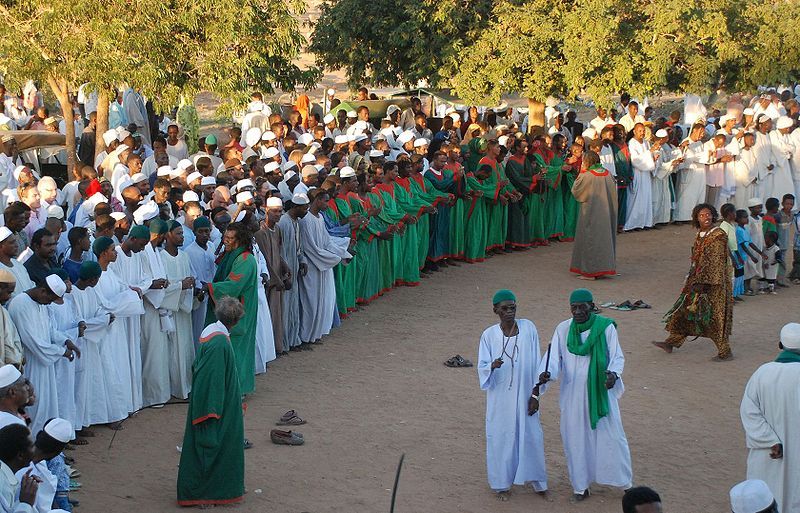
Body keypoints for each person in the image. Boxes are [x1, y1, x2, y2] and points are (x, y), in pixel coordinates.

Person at [537, 288, 632, 502]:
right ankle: (581, 487)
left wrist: (613, 374)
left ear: (592, 305)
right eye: (574, 307)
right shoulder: (563, 329)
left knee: (612, 437)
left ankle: (625, 482)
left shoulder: (605, 327)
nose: (578, 311)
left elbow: (617, 356)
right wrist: (547, 374)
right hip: (573, 395)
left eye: (582, 307)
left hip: (600, 393)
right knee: (575, 440)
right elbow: (554, 359)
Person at [477, 289, 547, 501]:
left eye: (513, 307)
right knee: (501, 436)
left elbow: (536, 361)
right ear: (495, 310)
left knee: (532, 435)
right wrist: (492, 366)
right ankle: (501, 484)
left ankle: (538, 481)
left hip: (526, 393)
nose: (509, 312)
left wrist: (535, 394)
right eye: (504, 308)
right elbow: (481, 367)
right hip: (501, 399)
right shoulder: (489, 335)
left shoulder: (528, 328)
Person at [177, 297, 245, 507]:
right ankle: (205, 494)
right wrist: (212, 412)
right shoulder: (218, 343)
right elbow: (212, 380)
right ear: (234, 321)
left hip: (222, 403)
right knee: (212, 449)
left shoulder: (213, 333)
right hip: (215, 409)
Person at [655, 204, 734, 360]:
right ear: (696, 218)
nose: (707, 217)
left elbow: (716, 262)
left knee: (716, 317)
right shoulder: (701, 234)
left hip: (714, 285)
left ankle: (725, 352)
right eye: (702, 215)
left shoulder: (718, 235)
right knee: (685, 311)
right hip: (697, 281)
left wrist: (704, 282)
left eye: (709, 214)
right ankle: (671, 342)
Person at [739, 322, 800, 512]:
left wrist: (770, 440)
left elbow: (749, 412)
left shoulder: (762, 373)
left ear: (780, 345)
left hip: (769, 455)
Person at [7, 275, 78, 435]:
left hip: (46, 364)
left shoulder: (42, 303)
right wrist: (61, 352)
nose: (50, 303)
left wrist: (66, 340)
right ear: (43, 291)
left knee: (47, 406)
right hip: (31, 365)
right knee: (35, 408)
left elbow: (50, 329)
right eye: (50, 299)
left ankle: (47, 448)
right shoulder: (20, 304)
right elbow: (32, 341)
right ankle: (31, 449)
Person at [204, 222, 258, 395]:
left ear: (239, 240)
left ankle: (237, 390)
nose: (225, 241)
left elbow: (234, 285)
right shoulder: (231, 256)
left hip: (238, 313)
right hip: (229, 311)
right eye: (225, 238)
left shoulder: (245, 259)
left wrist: (210, 288)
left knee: (237, 350)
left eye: (230, 238)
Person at [298, 189, 350, 345]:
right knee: (311, 303)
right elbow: (311, 249)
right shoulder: (306, 220)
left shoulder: (319, 218)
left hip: (324, 265)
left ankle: (316, 334)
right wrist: (336, 258)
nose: (328, 204)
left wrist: (343, 252)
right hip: (313, 267)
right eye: (325, 201)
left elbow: (327, 242)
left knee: (324, 301)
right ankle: (306, 337)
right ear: (317, 200)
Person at [570, 150, 618, 279]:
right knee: (604, 240)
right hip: (607, 215)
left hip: (591, 214)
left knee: (590, 239)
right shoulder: (608, 174)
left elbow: (576, 191)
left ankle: (590, 272)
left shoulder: (588, 176)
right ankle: (604, 268)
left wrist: (581, 172)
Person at [254, 197, 290, 355]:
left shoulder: (278, 229)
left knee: (277, 313)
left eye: (280, 212)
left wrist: (285, 268)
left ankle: (277, 346)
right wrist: (275, 279)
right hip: (269, 280)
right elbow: (265, 260)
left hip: (277, 277)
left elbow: (278, 252)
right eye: (274, 211)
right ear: (266, 210)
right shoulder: (261, 232)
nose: (278, 215)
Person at [276, 194, 309, 351]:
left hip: (295, 266)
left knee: (293, 305)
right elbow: (280, 251)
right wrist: (285, 274)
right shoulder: (284, 222)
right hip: (286, 270)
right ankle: (284, 343)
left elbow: (298, 246)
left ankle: (293, 340)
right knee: (286, 307)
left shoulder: (297, 222)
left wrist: (302, 260)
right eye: (304, 208)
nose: (306, 211)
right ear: (295, 207)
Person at [0, 423, 39, 513]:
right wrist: (26, 503)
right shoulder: (3, 484)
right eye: (32, 446)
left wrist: (23, 490)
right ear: (20, 455)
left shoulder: (5, 474)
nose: (36, 449)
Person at [0, 270, 22, 368]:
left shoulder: (3, 311)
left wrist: (16, 361)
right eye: (9, 292)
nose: (9, 297)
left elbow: (8, 339)